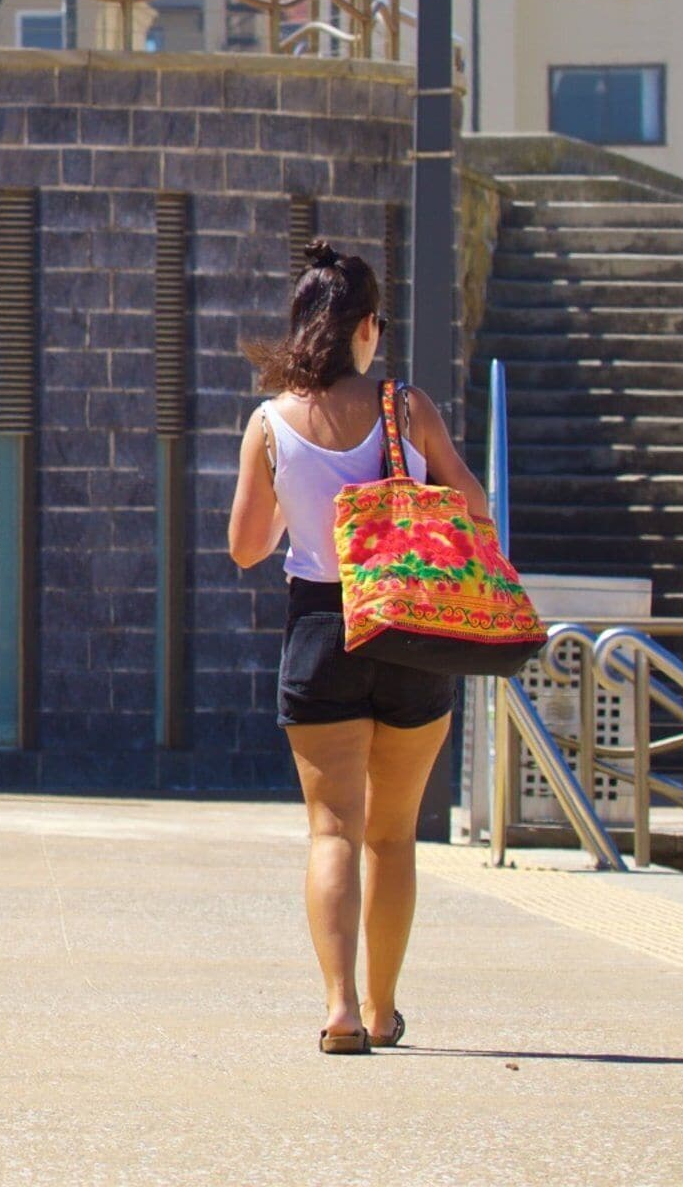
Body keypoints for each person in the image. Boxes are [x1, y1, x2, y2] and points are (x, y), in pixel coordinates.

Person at [227, 240, 494, 1056]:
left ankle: (340, 1008)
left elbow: (244, 547)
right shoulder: (405, 409)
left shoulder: (270, 423)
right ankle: (385, 1010)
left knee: (332, 830)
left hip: (320, 626)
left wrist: (297, 516)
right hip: (410, 630)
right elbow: (474, 508)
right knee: (393, 834)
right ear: (368, 327)